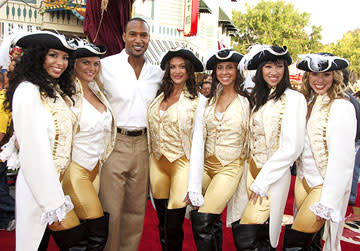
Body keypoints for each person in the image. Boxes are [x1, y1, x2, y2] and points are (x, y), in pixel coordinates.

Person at [3, 31, 85, 250]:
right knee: (63, 242)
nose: (60, 63)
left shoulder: (52, 90)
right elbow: (33, 151)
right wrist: (53, 203)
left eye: (65, 57)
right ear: (38, 57)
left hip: (57, 183)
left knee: (44, 243)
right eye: (53, 55)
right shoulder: (27, 91)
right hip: (38, 186)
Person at [231, 45, 307, 250]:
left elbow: (292, 148)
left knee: (247, 230)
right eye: (268, 67)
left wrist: (263, 181)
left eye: (279, 66)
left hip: (271, 178)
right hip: (250, 172)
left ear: (285, 70)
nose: (274, 72)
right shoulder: (257, 97)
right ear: (261, 70)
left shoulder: (294, 99)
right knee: (257, 230)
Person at [99, 17, 163, 251]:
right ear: (124, 36)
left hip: (144, 146)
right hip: (115, 142)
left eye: (143, 35)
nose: (138, 39)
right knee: (111, 209)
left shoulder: (157, 73)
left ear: (148, 39)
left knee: (136, 210)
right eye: (133, 34)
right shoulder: (105, 66)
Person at [283, 53, 356, 251]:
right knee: (311, 242)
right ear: (308, 77)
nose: (320, 80)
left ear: (335, 77)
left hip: (323, 185)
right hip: (302, 181)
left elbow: (343, 161)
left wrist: (329, 201)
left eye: (326, 74)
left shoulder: (342, 107)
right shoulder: (306, 102)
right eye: (315, 74)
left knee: (295, 240)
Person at [186, 49, 250, 250]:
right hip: (206, 166)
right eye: (220, 68)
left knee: (203, 219)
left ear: (237, 71)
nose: (224, 72)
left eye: (229, 67)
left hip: (229, 167)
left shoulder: (248, 101)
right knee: (209, 219)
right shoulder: (209, 99)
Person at [60, 39, 116, 250]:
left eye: (96, 63)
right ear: (74, 64)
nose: (92, 68)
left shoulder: (98, 92)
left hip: (95, 169)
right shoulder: (65, 95)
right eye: (86, 62)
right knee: (95, 227)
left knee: (84, 230)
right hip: (75, 170)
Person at [147, 47, 203, 250]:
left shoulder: (198, 102)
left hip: (182, 163)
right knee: (161, 220)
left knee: (173, 220)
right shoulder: (158, 96)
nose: (177, 71)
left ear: (189, 70)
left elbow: (200, 140)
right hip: (156, 162)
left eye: (182, 67)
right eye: (172, 67)